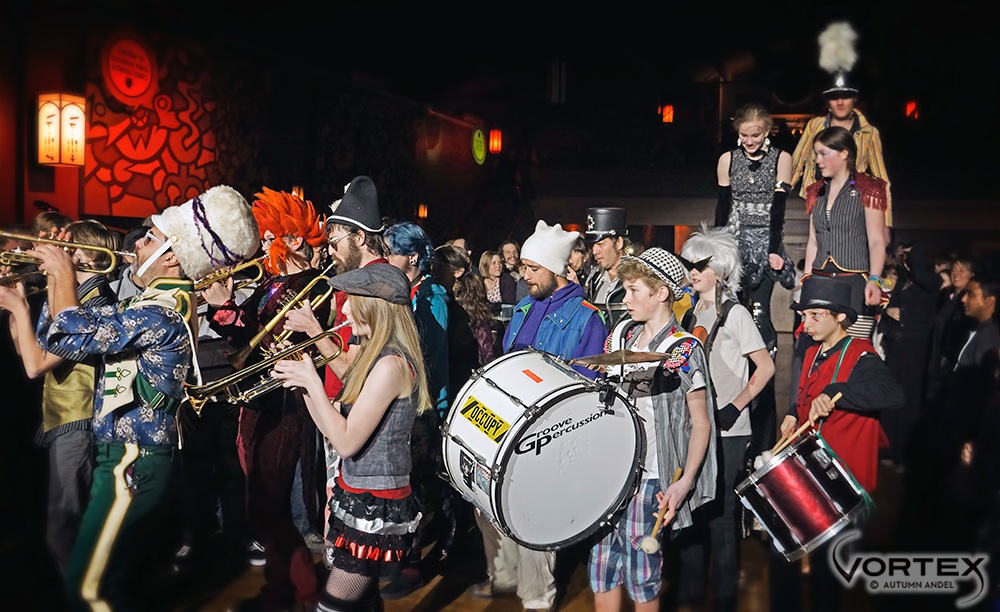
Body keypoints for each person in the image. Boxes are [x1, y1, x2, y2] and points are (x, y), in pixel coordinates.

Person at [34, 186, 258, 611]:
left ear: (172, 256)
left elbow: (76, 329)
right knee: (106, 585)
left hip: (131, 462)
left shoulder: (163, 313)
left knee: (90, 590)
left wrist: (63, 270)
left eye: (150, 237)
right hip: (121, 457)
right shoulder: (145, 301)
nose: (136, 243)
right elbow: (59, 334)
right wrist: (54, 277)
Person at [272, 264, 430, 612]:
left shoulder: (391, 364)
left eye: (352, 301)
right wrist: (302, 385)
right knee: (364, 600)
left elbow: (345, 442)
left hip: (375, 499)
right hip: (359, 490)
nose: (342, 310)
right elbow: (333, 425)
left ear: (376, 307)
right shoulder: (373, 352)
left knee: (331, 606)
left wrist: (312, 380)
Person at [204, 187, 330, 612]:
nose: (262, 246)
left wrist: (226, 309)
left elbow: (269, 338)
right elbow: (244, 335)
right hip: (258, 403)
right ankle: (284, 588)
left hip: (286, 405)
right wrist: (223, 308)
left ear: (292, 240)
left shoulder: (313, 283)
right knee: (259, 506)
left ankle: (302, 587)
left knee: (268, 504)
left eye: (269, 235)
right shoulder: (275, 283)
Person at [474, 220, 607, 612]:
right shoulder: (524, 305)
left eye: (533, 269)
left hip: (548, 430)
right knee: (485, 499)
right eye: (525, 267)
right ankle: (506, 577)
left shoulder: (587, 317)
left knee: (530, 510)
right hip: (509, 420)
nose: (524, 275)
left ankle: (537, 595)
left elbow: (587, 386)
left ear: (558, 269)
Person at [589, 247, 717, 612]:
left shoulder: (684, 348)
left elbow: (701, 423)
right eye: (625, 290)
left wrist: (684, 482)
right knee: (602, 568)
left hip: (652, 477)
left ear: (661, 293)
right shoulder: (622, 337)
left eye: (634, 291)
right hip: (612, 473)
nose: (625, 299)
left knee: (642, 575)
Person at [772, 275, 903, 612]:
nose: (807, 323)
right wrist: (791, 412)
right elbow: (805, 394)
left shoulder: (862, 355)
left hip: (840, 477)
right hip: (809, 468)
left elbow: (893, 394)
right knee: (784, 552)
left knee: (827, 571)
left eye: (816, 315)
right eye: (804, 316)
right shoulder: (812, 350)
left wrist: (836, 393)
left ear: (841, 317)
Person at [0, 220, 118, 577]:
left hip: (80, 419)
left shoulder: (96, 304)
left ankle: (91, 596)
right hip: (61, 417)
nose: (56, 253)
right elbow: (28, 354)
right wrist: (15, 303)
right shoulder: (70, 299)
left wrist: (21, 309)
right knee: (60, 529)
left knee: (63, 530)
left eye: (66, 248)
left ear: (86, 257)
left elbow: (36, 368)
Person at [677, 226, 774, 612]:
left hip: (731, 429)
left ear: (720, 268)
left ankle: (725, 600)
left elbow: (764, 367)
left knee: (720, 514)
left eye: (702, 265)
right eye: (690, 265)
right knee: (693, 510)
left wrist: (737, 404)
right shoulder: (690, 314)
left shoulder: (734, 313)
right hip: (697, 425)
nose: (694, 271)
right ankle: (690, 596)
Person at [790, 22, 891, 237]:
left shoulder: (868, 133)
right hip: (818, 196)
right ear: (827, 102)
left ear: (854, 99)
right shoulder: (815, 126)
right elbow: (797, 162)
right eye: (835, 97)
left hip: (853, 200)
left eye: (845, 96)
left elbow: (882, 179)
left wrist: (886, 222)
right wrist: (777, 197)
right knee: (817, 249)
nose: (840, 102)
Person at [714, 103, 796, 354]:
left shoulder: (782, 159)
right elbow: (723, 207)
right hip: (735, 239)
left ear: (767, 132)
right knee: (733, 308)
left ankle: (765, 373)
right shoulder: (727, 159)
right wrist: (718, 249)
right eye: (744, 135)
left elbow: (778, 208)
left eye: (756, 135)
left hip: (765, 240)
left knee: (760, 312)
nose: (749, 141)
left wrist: (773, 249)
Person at [803, 126, 888, 338]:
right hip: (820, 281)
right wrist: (806, 281)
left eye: (824, 154)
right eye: (816, 154)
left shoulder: (868, 189)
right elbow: (813, 241)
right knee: (817, 354)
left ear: (843, 153)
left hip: (853, 283)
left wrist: (874, 280)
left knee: (852, 352)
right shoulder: (816, 191)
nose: (818, 160)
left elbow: (877, 241)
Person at [584, 207, 629, 329]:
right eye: (593, 245)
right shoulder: (594, 279)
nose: (594, 251)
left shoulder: (637, 279)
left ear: (619, 243)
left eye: (600, 244)